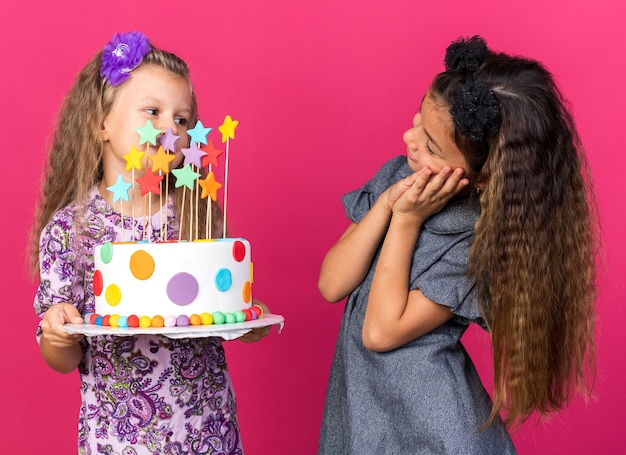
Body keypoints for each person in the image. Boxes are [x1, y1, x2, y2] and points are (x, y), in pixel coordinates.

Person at [317, 36, 598, 454]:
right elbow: (331, 284)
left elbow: (379, 332)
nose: (409, 138)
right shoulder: (397, 175)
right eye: (417, 120)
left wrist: (407, 220)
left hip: (432, 429)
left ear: (482, 177)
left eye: (430, 145)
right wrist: (388, 204)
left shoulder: (479, 244)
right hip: (364, 412)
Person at [29, 31, 270, 454]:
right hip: (120, 439)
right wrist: (58, 335)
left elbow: (219, 304)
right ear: (99, 123)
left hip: (206, 427)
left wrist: (247, 322)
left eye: (181, 119)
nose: (169, 128)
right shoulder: (71, 230)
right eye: (152, 111)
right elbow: (61, 358)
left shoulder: (196, 213)